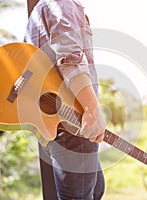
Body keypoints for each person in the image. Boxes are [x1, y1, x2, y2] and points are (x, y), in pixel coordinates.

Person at [25, 0, 106, 199]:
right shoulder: (61, 3)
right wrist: (92, 109)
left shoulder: (38, 11)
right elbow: (70, 56)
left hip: (58, 123)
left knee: (96, 188)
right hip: (75, 121)